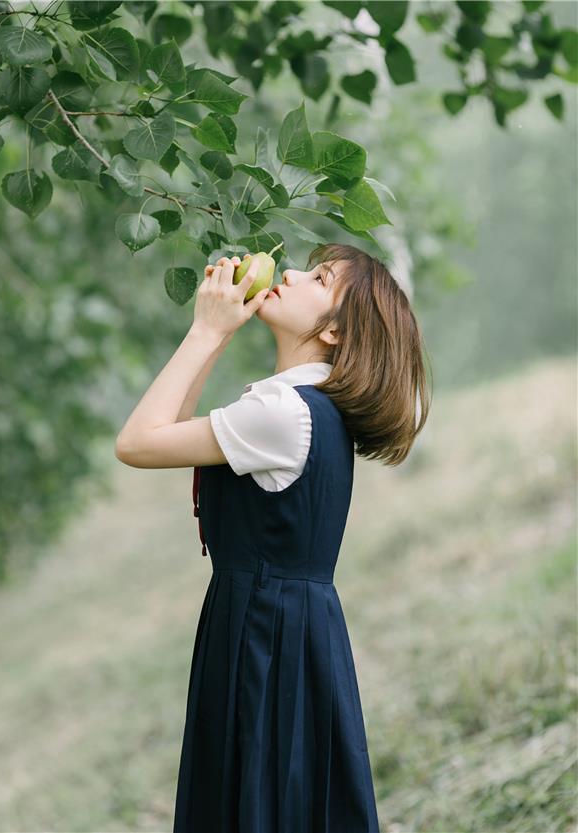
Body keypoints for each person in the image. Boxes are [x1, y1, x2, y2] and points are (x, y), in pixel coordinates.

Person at [115, 242, 432, 832]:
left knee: (257, 801)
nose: (288, 273)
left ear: (335, 331)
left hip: (264, 632)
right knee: (282, 799)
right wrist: (212, 331)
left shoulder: (285, 414)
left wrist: (208, 334)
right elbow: (167, 430)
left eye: (318, 277)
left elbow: (136, 442)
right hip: (287, 625)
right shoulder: (300, 408)